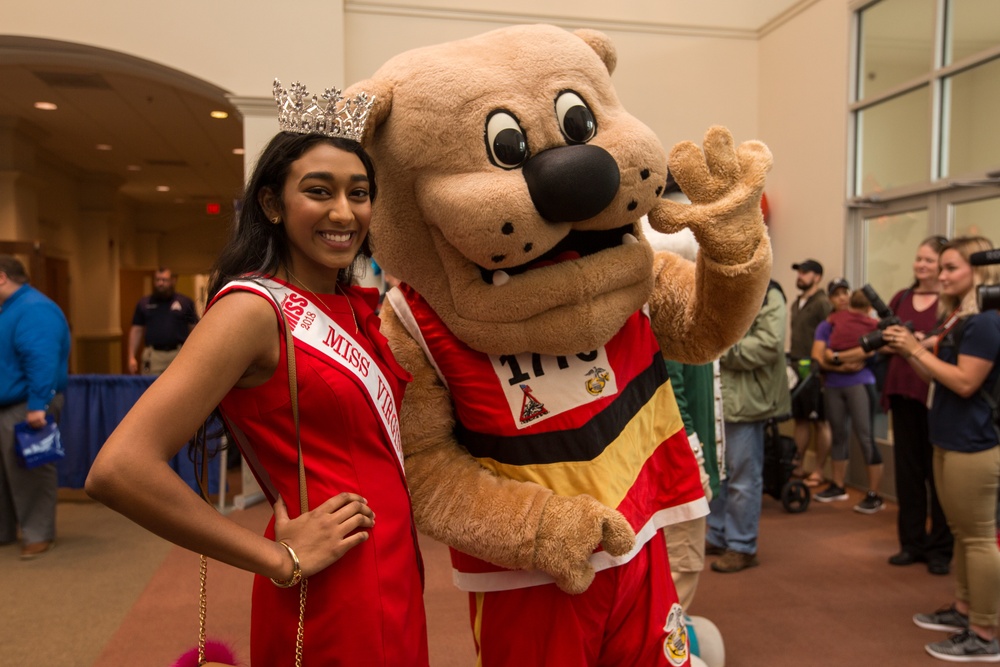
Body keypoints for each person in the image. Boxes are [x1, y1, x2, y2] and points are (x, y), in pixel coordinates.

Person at [87, 83, 429, 666]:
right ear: (272, 205)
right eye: (319, 191)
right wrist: (276, 559)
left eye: (360, 193)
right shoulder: (252, 310)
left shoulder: (355, 306)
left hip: (398, 563)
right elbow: (119, 469)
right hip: (329, 585)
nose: (344, 212)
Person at [886, 236, 1000, 662]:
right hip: (951, 436)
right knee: (963, 534)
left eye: (952, 268)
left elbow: (966, 382)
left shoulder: (986, 322)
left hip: (976, 443)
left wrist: (915, 348)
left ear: (978, 272)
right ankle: (965, 612)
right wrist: (909, 350)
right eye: (943, 267)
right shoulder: (961, 319)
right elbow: (941, 376)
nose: (941, 274)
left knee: (978, 538)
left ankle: (985, 634)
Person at [707, 279, 791, 573]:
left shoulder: (769, 291)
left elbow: (769, 344)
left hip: (746, 398)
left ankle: (742, 545)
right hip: (717, 395)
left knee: (743, 475)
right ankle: (717, 534)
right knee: (716, 471)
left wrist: (719, 347)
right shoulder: (713, 286)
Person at [881, 235, 953, 575]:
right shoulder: (902, 297)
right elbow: (886, 342)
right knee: (908, 474)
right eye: (918, 259)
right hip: (903, 393)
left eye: (929, 260)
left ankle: (940, 548)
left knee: (936, 476)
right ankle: (911, 543)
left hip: (934, 396)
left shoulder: (949, 303)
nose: (921, 265)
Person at [0, 255, 71, 559]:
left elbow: (42, 358)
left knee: (31, 470)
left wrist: (37, 405)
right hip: (10, 404)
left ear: (1, 277)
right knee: (7, 475)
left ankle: (38, 535)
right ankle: (6, 531)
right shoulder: (11, 308)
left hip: (29, 405)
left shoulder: (34, 308)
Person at [812, 284, 886, 513]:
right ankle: (838, 485)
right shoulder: (829, 323)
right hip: (834, 383)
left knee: (865, 437)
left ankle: (874, 494)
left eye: (845, 294)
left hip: (860, 384)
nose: (842, 298)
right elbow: (819, 355)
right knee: (838, 435)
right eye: (836, 294)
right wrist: (840, 363)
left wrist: (837, 357)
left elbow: (873, 349)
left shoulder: (872, 324)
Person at [789, 259, 833, 479]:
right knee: (801, 419)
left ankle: (819, 470)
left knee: (820, 420)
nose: (800, 276)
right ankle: (797, 465)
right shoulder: (796, 303)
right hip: (797, 367)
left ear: (817, 277)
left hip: (816, 369)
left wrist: (825, 367)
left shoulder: (822, 303)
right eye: (799, 272)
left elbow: (830, 335)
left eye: (805, 273)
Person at [127, 267, 199, 375]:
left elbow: (195, 329)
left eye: (164, 280)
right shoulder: (144, 303)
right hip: (153, 355)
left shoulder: (185, 302)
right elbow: (137, 330)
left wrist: (196, 353)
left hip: (178, 354)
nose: (160, 283)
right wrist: (131, 357)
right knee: (150, 388)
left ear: (173, 281)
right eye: (157, 280)